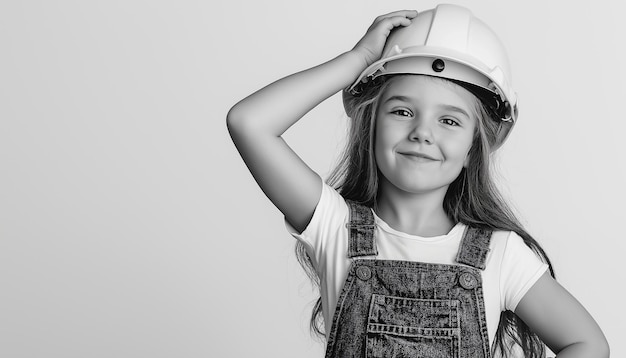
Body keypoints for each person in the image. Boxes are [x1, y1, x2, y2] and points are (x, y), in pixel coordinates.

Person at [226, 4, 608, 358]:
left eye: (449, 120)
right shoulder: (333, 225)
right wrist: (356, 61)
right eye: (403, 110)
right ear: (369, 122)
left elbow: (588, 344)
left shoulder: (501, 255)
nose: (422, 133)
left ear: (477, 146)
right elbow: (250, 123)